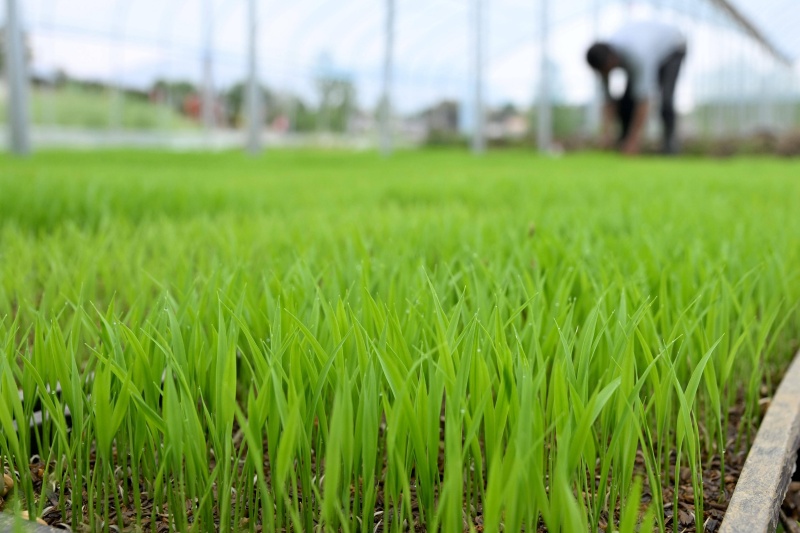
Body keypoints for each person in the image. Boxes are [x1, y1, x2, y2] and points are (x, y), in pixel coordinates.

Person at [586, 21, 687, 155]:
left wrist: (634, 140)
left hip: (673, 47)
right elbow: (607, 100)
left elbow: (643, 99)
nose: (606, 74)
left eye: (606, 70)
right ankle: (623, 142)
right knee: (627, 100)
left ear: (611, 60)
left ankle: (669, 146)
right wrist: (606, 134)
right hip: (648, 49)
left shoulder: (637, 56)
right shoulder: (602, 60)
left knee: (666, 98)